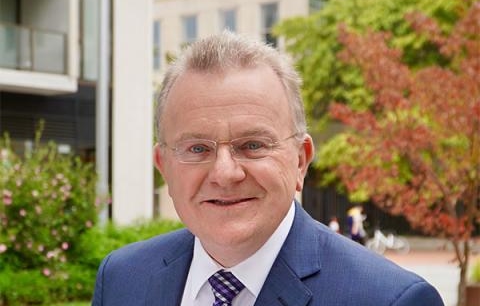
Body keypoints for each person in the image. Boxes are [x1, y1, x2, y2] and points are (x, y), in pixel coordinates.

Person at [92, 31, 444, 306]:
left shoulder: (389, 301)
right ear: (164, 167)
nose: (225, 173)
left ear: (300, 160)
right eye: (197, 148)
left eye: (253, 146)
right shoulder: (122, 279)